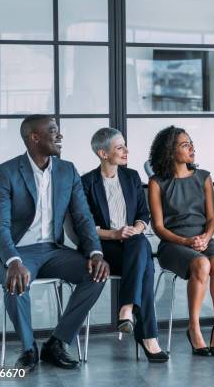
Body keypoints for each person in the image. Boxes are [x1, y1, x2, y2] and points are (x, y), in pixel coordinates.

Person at [0, 114, 109, 371]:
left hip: (53, 250)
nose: (60, 135)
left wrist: (95, 252)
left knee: (96, 274)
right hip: (17, 252)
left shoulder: (67, 171)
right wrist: (13, 260)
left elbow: (83, 217)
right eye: (53, 131)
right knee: (16, 280)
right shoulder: (5, 172)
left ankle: (56, 342)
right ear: (34, 137)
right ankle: (28, 350)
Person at [81, 128, 168, 363]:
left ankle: (127, 310)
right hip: (104, 248)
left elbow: (143, 213)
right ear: (103, 153)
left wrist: (136, 229)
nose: (126, 151)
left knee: (139, 244)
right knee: (146, 265)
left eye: (125, 146)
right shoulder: (86, 183)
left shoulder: (131, 178)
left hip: (132, 244)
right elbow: (86, 226)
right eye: (120, 147)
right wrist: (115, 233)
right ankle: (147, 336)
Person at [148, 126, 214, 356]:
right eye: (185, 145)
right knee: (202, 265)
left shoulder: (204, 177)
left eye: (191, 143)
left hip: (203, 237)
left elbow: (212, 218)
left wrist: (206, 238)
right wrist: (185, 241)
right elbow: (159, 227)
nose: (192, 148)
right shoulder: (157, 182)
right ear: (171, 151)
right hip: (173, 242)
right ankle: (194, 328)